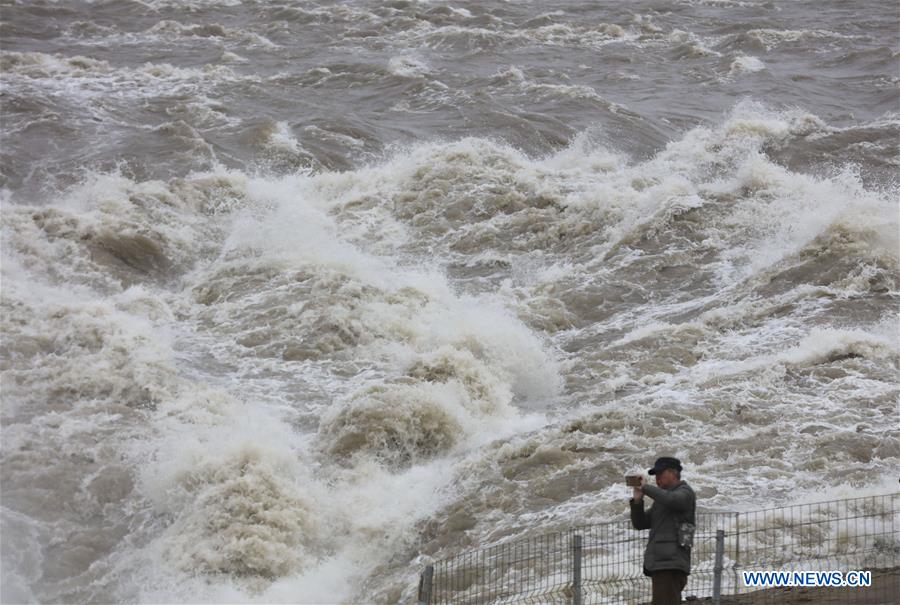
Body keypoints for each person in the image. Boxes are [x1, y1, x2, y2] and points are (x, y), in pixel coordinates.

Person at [629, 456, 697, 605]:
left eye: (660, 473)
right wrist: (638, 501)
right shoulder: (661, 500)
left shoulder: (685, 492)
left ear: (673, 473)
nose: (657, 478)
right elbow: (640, 523)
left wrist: (645, 487)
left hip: (670, 563)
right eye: (656, 475)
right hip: (662, 563)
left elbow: (673, 500)